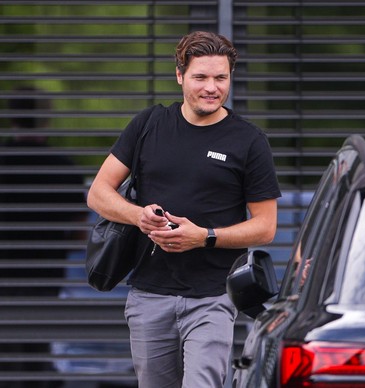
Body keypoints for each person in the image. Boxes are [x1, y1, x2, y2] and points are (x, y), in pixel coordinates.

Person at [86, 31, 281, 387]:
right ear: (180, 76)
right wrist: (138, 215)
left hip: (212, 297)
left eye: (221, 78)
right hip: (149, 295)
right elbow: (99, 192)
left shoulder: (249, 141)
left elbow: (266, 227)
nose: (212, 87)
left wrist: (204, 237)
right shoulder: (149, 125)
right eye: (200, 77)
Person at [0, 86, 86, 387]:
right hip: (44, 274)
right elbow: (78, 232)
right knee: (37, 346)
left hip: (5, 274)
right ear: (45, 119)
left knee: (8, 351)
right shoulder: (63, 169)